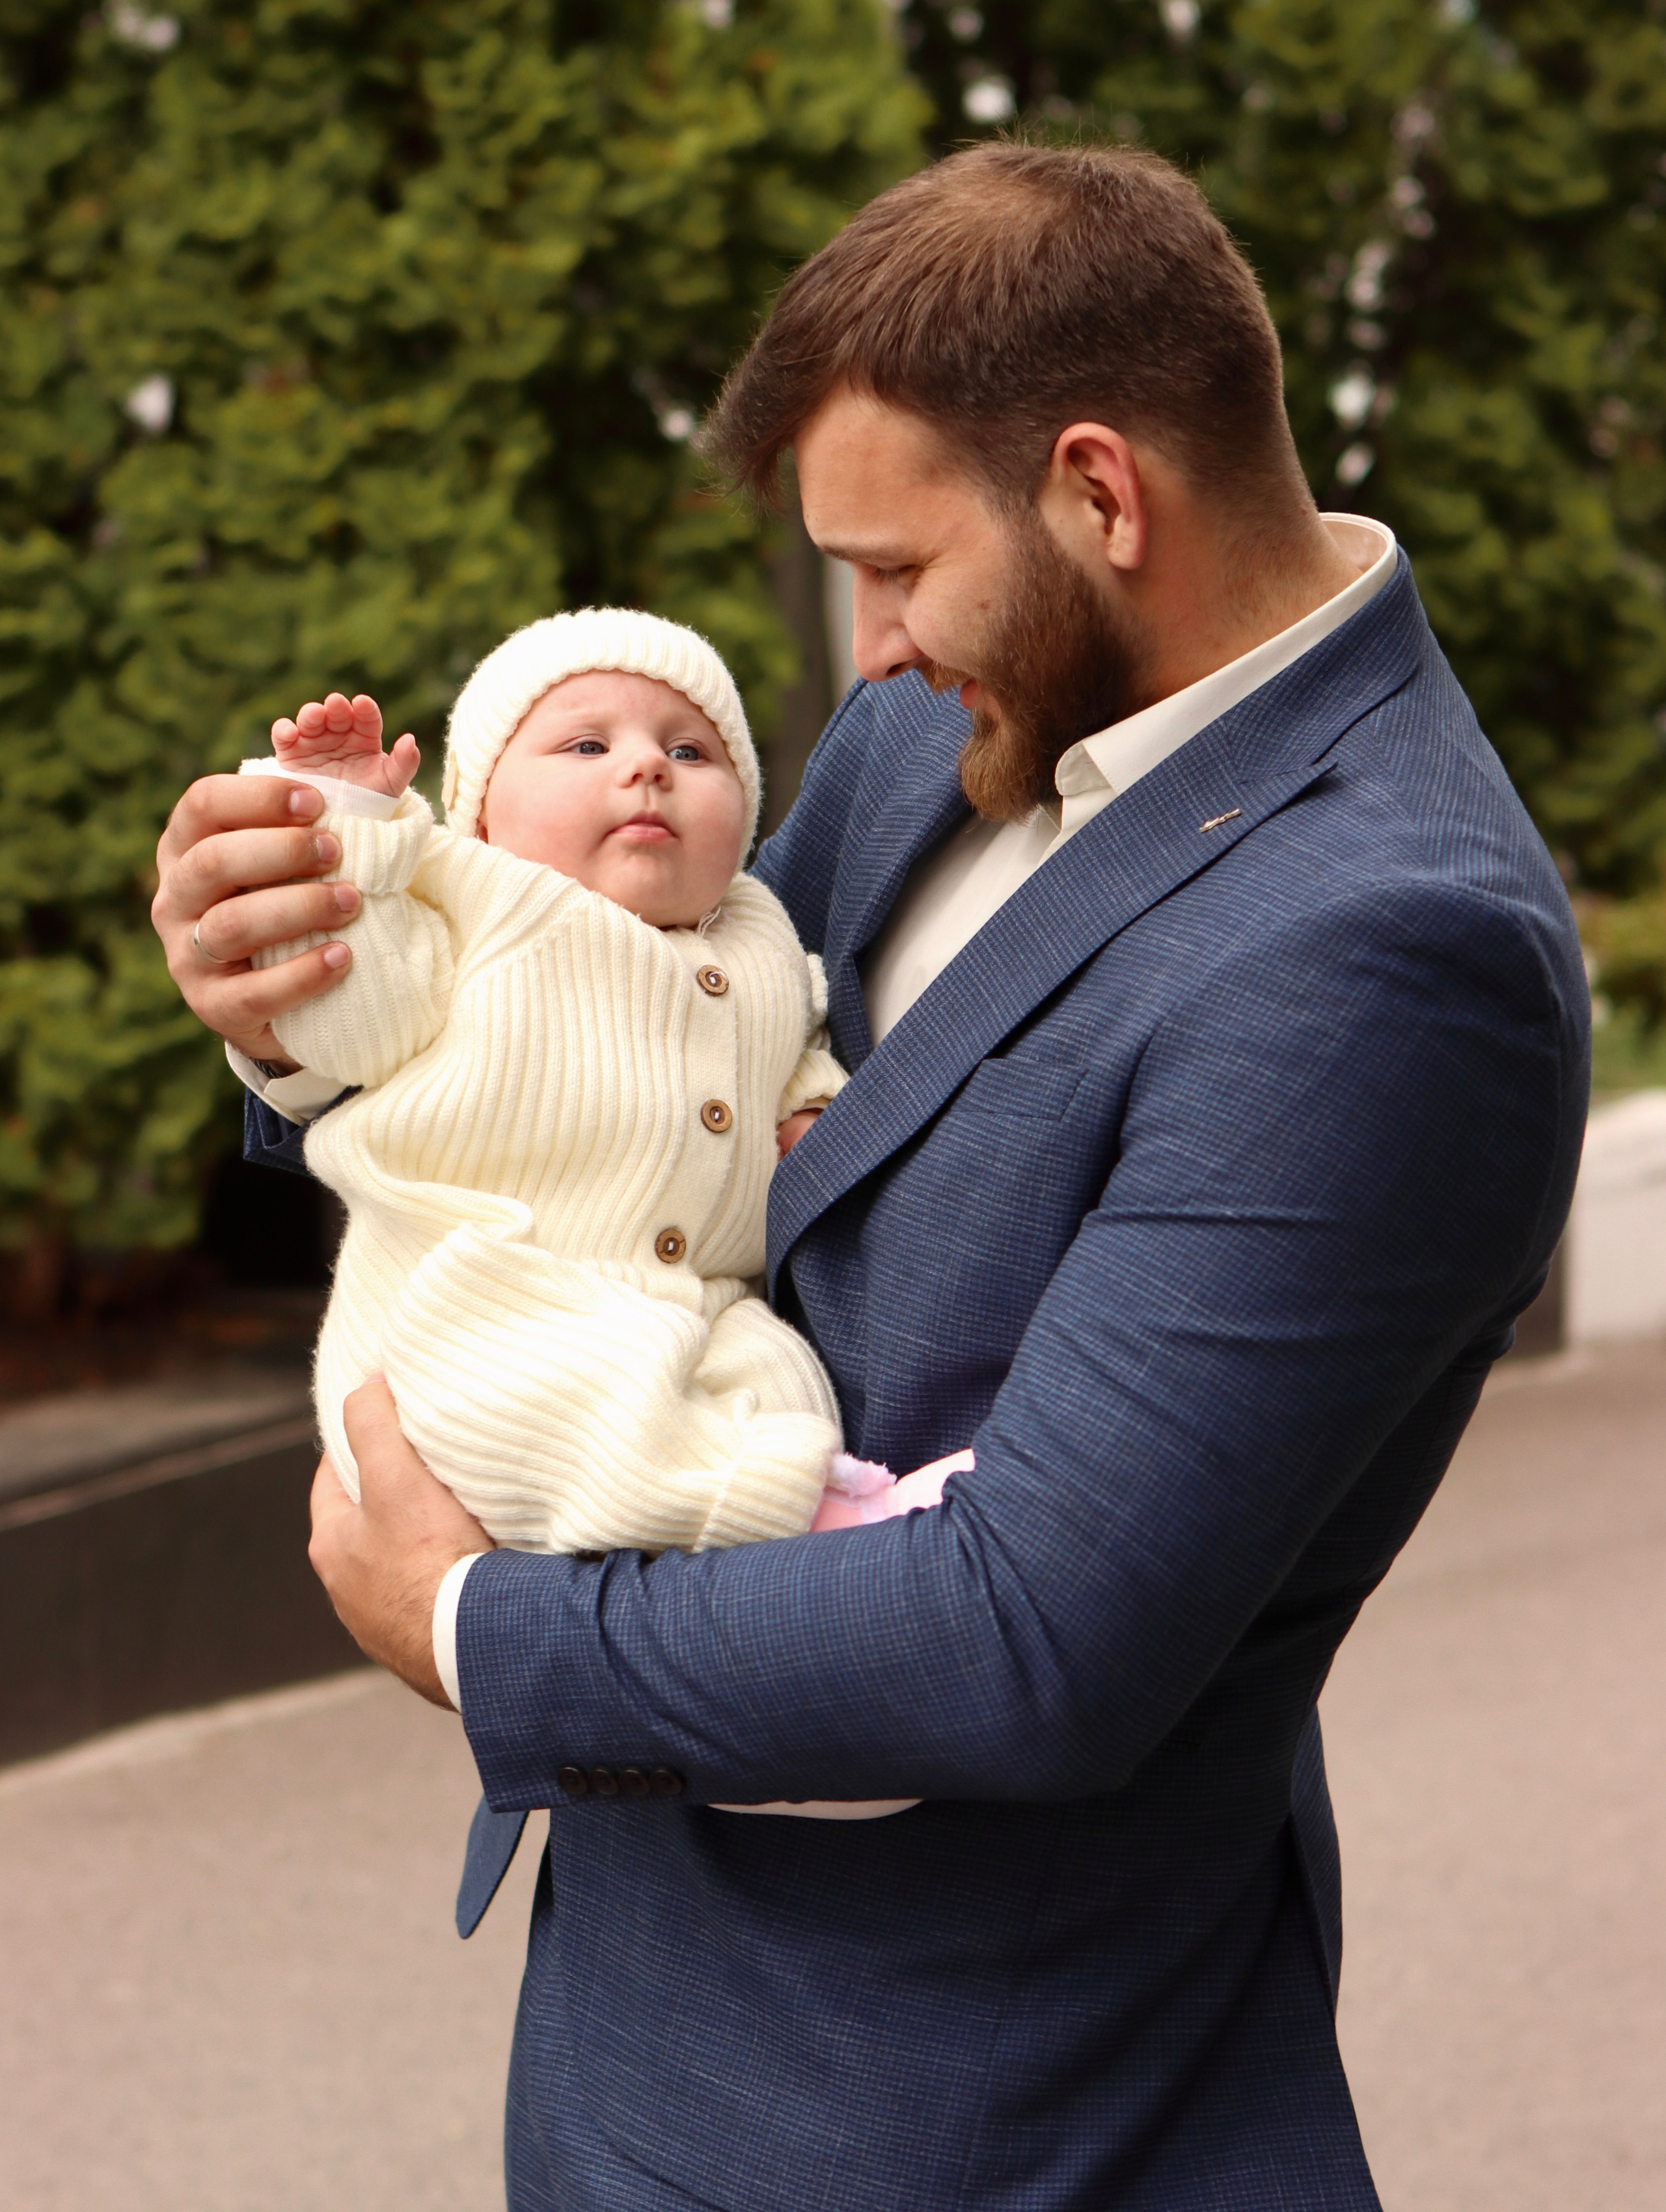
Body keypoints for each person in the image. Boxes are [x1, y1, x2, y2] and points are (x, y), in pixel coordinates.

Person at [152, 142, 1588, 2209]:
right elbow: (663, 1065)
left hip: (965, 2115)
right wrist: (293, 1002)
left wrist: (474, 1633)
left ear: (1102, 496)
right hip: (639, 2025)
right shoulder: (960, 703)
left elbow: (1034, 1640)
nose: (871, 643)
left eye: (897, 568)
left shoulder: (1398, 949)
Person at [242, 608, 855, 1555]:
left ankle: (819, 1504)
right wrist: (345, 824)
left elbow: (790, 1030)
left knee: (782, 1376)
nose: (648, 766)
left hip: (695, 1303)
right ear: (483, 812)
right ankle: (768, 1510)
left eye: (693, 752)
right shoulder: (474, 900)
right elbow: (346, 1019)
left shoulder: (759, 929)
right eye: (586, 744)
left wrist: (811, 1101)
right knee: (558, 1407)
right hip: (476, 1300)